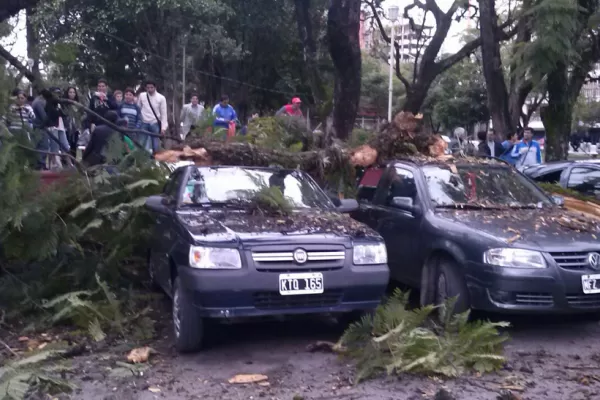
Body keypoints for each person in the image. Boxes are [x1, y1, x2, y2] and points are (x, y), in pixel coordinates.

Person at [137, 80, 168, 154]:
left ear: (155, 87)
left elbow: (164, 114)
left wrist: (163, 128)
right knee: (141, 143)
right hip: (144, 122)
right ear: (145, 88)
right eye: (148, 88)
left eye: (151, 87)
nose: (150, 89)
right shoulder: (142, 96)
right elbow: (138, 108)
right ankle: (140, 160)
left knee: (155, 145)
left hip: (155, 123)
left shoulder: (161, 98)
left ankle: (155, 160)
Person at [63, 87, 85, 157]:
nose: (72, 94)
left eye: (73, 92)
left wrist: (80, 119)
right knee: (66, 144)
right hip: (66, 127)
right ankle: (66, 160)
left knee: (74, 144)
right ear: (67, 93)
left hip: (76, 127)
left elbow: (84, 114)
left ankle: (73, 159)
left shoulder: (78, 104)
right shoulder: (64, 103)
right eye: (70, 92)